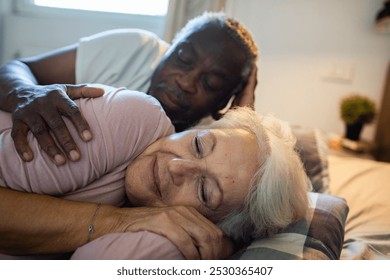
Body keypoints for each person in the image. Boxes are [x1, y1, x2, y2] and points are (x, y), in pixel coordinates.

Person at [0, 85, 310, 259]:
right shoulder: (134, 119)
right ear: (199, 127)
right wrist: (121, 220)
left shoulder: (174, 237)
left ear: (211, 220)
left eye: (204, 190)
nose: (177, 166)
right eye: (199, 145)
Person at [0, 12, 258, 166]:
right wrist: (24, 92)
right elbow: (17, 68)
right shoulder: (136, 49)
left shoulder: (210, 139)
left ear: (225, 101)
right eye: (182, 57)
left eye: (211, 84)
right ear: (168, 47)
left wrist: (242, 121)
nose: (186, 82)